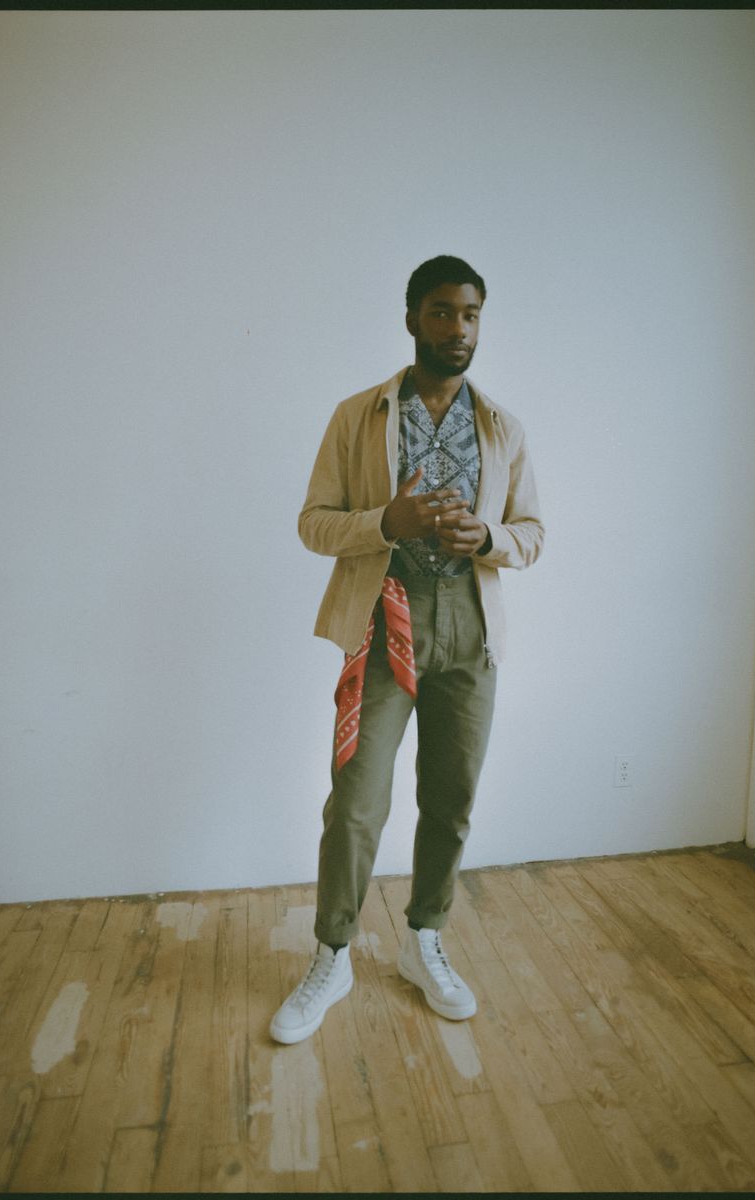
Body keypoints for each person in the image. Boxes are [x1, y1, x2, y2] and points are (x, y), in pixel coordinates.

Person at [270, 255, 544, 1044]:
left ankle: (425, 941)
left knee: (451, 800)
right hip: (382, 619)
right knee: (355, 802)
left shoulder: (504, 428)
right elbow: (313, 521)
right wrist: (386, 524)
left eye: (470, 315)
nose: (458, 330)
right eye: (441, 313)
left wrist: (486, 535)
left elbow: (532, 534)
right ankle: (332, 954)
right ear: (411, 318)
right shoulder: (360, 416)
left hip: (470, 624)